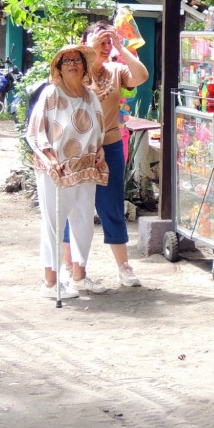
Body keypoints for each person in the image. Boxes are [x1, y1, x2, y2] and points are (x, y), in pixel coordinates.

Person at [62, 20, 149, 291]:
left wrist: (121, 48)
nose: (104, 46)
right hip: (77, 149)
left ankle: (123, 267)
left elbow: (141, 76)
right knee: (74, 209)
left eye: (107, 41)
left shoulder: (115, 70)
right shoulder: (75, 70)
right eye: (99, 41)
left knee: (111, 207)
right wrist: (88, 48)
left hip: (109, 146)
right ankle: (70, 269)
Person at [27, 44, 108, 300]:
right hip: (57, 168)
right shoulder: (51, 94)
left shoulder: (90, 96)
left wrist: (101, 149)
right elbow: (36, 133)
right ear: (59, 69)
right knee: (54, 222)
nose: (72, 64)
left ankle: (79, 277)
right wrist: (50, 159)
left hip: (85, 167)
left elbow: (99, 130)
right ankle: (50, 283)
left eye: (77, 60)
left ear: (84, 66)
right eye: (66, 61)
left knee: (84, 221)